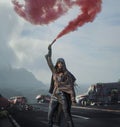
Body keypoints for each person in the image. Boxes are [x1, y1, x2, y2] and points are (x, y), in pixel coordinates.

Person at [45, 44, 76, 127]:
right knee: (50, 115)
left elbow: (70, 87)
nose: (60, 64)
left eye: (61, 63)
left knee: (66, 113)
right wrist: (49, 50)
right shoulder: (54, 72)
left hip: (62, 96)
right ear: (57, 64)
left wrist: (73, 99)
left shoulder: (67, 74)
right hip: (54, 96)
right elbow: (49, 61)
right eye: (59, 62)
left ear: (64, 64)